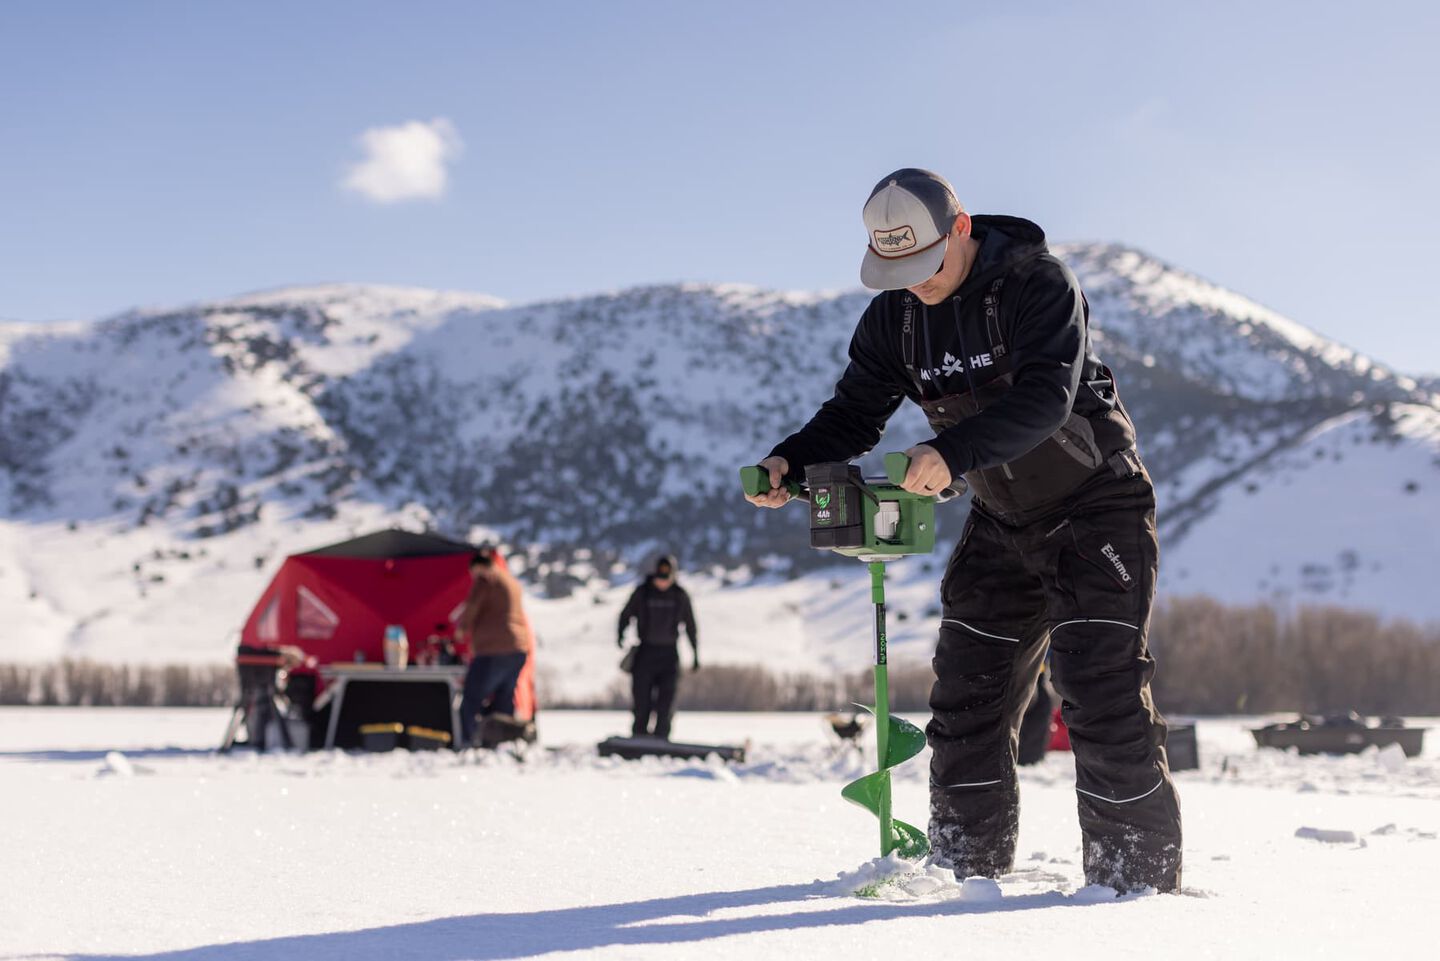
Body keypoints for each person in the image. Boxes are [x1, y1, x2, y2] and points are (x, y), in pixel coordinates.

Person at [745, 169, 1181, 894]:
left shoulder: (1038, 285)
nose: (914, 282)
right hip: (1001, 519)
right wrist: (793, 457)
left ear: (961, 228)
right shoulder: (897, 319)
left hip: (1095, 507)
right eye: (896, 270)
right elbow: (854, 414)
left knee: (1099, 694)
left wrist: (949, 453)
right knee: (965, 700)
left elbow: (1046, 398)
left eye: (925, 264)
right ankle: (965, 871)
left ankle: (1132, 891)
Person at [455, 547, 532, 747]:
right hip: (518, 649)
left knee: (471, 699)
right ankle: (502, 743)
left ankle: (469, 741)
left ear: (478, 568)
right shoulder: (510, 580)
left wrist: (461, 629)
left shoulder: (485, 580)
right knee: (503, 702)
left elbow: (472, 607)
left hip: (493, 650)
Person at [617, 555, 698, 740]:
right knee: (641, 701)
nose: (662, 582)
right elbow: (626, 614)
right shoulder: (642, 593)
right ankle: (639, 736)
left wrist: (695, 652)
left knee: (666, 702)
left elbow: (691, 625)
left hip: (669, 655)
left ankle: (662, 738)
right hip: (645, 653)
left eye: (666, 579)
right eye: (659, 578)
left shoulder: (679, 595)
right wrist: (620, 633)